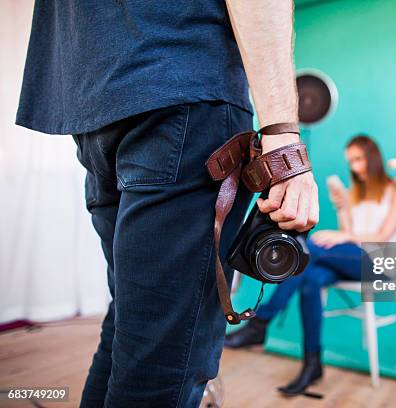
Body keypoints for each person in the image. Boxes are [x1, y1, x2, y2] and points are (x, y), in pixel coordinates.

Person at [15, 1, 318, 406]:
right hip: (183, 94)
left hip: (94, 103)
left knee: (133, 332)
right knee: (162, 364)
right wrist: (284, 141)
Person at [225, 135, 396, 395]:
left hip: (382, 265)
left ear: (373, 157)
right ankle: (312, 364)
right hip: (351, 260)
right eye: (351, 161)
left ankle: (261, 322)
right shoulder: (357, 192)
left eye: (359, 159)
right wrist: (343, 206)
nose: (355, 167)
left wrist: (342, 236)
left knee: (310, 250)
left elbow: (381, 236)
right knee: (310, 279)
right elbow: (351, 234)